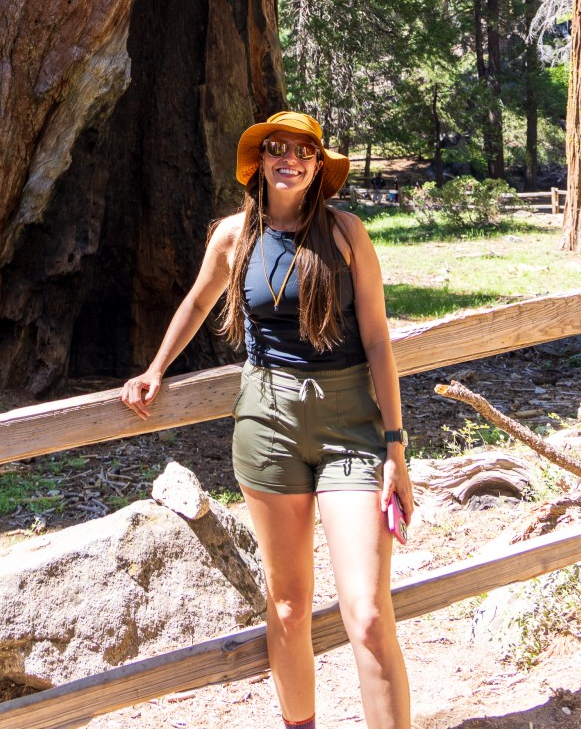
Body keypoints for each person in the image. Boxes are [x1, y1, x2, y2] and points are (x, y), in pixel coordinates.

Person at [120, 110, 413, 729]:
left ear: (318, 164)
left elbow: (379, 340)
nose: (292, 159)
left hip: (352, 428)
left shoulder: (345, 233)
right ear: (259, 161)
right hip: (268, 425)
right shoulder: (234, 235)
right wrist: (155, 368)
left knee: (365, 610)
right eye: (278, 148)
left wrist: (395, 448)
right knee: (286, 605)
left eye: (305, 150)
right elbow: (200, 298)